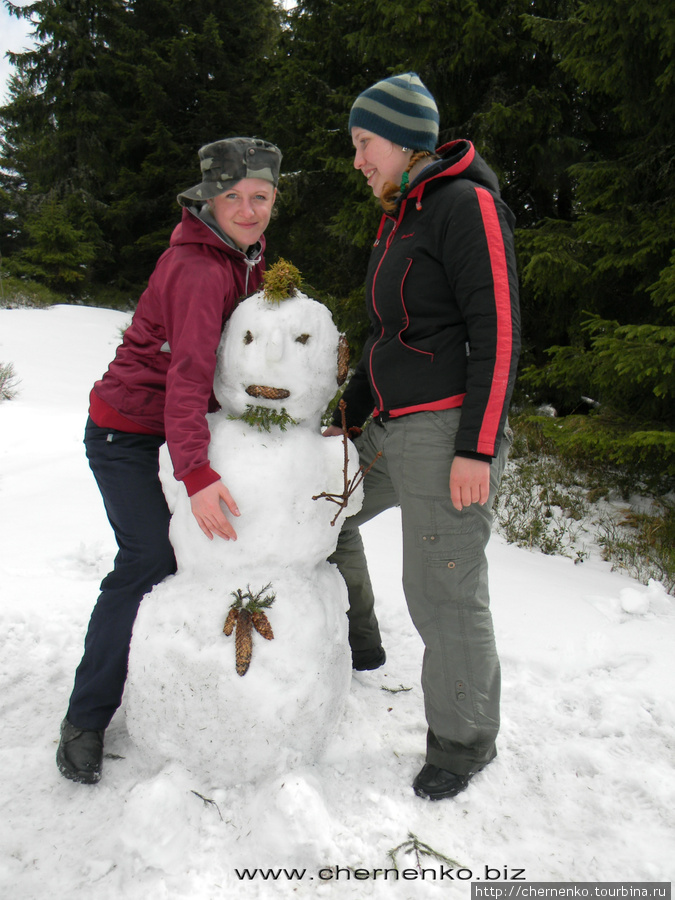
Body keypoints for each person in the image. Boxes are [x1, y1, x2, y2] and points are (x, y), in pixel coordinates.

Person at [56, 136, 282, 784]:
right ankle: (86, 716)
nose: (247, 209)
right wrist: (197, 475)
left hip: (173, 429)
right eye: (232, 196)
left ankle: (181, 683)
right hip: (126, 433)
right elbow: (186, 377)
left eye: (259, 196)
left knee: (198, 557)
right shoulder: (200, 268)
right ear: (207, 199)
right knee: (148, 559)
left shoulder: (244, 257)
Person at [325, 73, 520, 800]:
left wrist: (477, 446)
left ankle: (464, 741)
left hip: (444, 434)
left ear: (405, 140)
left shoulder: (463, 205)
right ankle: (359, 637)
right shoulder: (400, 214)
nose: (357, 161)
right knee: (321, 514)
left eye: (363, 144)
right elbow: (389, 335)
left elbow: (496, 330)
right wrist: (346, 415)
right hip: (387, 427)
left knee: (442, 593)